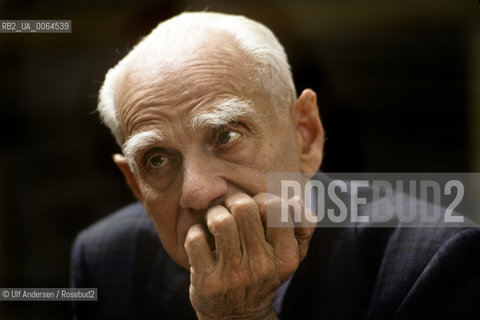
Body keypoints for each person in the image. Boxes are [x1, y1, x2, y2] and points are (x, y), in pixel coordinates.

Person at [71, 12, 480, 319]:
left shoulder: (433, 259)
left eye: (226, 136)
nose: (196, 191)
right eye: (157, 160)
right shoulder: (106, 258)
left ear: (305, 134)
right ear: (136, 183)